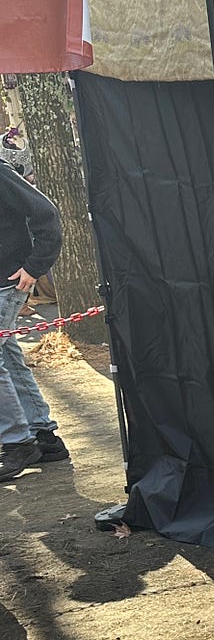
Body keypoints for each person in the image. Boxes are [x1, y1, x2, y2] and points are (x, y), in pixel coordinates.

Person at [0, 160, 69, 479]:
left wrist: (35, 266)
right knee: (9, 357)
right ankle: (43, 436)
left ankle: (17, 441)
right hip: (7, 280)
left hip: (8, 282)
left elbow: (46, 214)